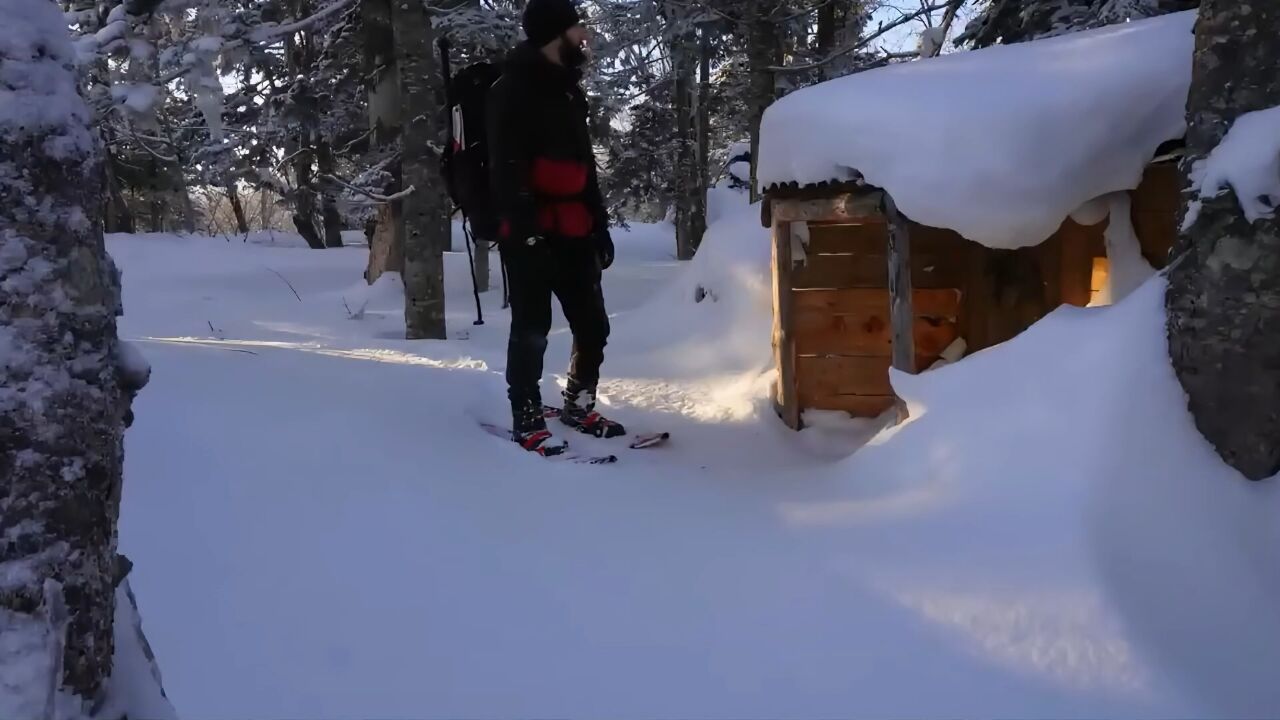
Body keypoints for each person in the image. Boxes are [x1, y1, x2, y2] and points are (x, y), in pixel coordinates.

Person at [487, 0, 624, 455]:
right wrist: (526, 234)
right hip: (529, 230)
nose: (584, 36)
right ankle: (525, 415)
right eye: (577, 28)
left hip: (575, 228)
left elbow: (584, 167)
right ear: (554, 34)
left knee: (593, 325)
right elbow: (507, 169)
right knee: (532, 327)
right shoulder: (510, 90)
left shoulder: (568, 90)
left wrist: (599, 226)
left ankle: (578, 404)